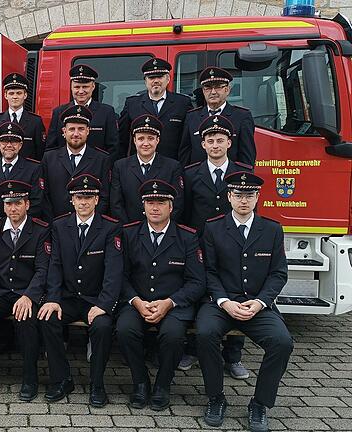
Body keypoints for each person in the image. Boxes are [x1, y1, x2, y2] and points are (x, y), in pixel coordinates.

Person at [196, 172, 292, 432]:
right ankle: (216, 398)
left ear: (257, 197)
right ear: (229, 196)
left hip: (257, 304)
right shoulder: (213, 227)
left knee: (282, 342)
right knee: (204, 334)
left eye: (249, 195)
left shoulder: (272, 229)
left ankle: (260, 404)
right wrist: (224, 301)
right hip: (222, 303)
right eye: (238, 195)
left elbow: (278, 273)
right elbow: (209, 272)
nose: (243, 200)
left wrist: (261, 302)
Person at [116, 179, 204, 411]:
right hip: (137, 301)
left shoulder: (187, 236)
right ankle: (141, 382)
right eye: (150, 202)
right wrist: (136, 301)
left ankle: (163, 385)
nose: (155, 207)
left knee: (173, 336)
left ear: (171, 207)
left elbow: (197, 282)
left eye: (161, 202)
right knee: (125, 330)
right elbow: (120, 276)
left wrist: (169, 302)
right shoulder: (129, 233)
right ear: (142, 206)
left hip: (174, 304)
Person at [39, 174, 122, 406]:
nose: (83, 202)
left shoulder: (110, 227)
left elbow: (113, 273)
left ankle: (97, 384)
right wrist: (52, 298)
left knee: (103, 326)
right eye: (79, 197)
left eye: (88, 197)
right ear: (71, 200)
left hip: (96, 299)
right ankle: (62, 379)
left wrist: (104, 305)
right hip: (67, 297)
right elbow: (54, 265)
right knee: (47, 318)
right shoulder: (59, 226)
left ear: (97, 200)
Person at [179, 115, 252, 377]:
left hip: (233, 245)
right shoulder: (190, 173)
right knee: (197, 293)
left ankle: (232, 356)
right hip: (198, 245)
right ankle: (192, 348)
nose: (215, 144)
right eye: (210, 140)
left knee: (237, 290)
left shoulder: (243, 174)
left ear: (229, 143)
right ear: (203, 144)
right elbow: (184, 213)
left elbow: (250, 212)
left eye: (220, 140)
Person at [0, 180, 50, 401]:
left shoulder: (40, 230)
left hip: (26, 293)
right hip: (0, 292)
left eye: (17, 203)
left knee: (26, 320)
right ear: (3, 206)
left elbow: (42, 270)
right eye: (8, 204)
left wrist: (29, 296)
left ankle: (29, 378)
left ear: (27, 204)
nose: (13, 208)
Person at [110, 114, 184, 223]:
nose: (146, 143)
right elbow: (116, 204)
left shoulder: (172, 167)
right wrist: (129, 230)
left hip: (161, 232)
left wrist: (159, 227)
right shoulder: (120, 166)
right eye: (141, 138)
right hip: (129, 232)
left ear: (157, 140)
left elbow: (177, 204)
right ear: (134, 140)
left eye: (150, 138)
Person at [42, 105, 110, 218]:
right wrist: (54, 224)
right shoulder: (49, 158)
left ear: (88, 131)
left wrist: (91, 222)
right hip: (56, 226)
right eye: (72, 129)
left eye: (81, 129)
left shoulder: (101, 159)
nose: (76, 134)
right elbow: (44, 197)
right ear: (64, 131)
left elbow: (104, 196)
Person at [179, 67, 256, 166]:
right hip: (198, 179)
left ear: (227, 90)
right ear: (203, 91)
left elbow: (247, 156)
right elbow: (185, 154)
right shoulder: (192, 117)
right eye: (208, 88)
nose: (213, 92)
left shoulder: (242, 116)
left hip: (230, 178)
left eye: (218, 87)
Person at [118, 58, 192, 161]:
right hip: (139, 167)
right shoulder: (132, 104)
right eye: (151, 77)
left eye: (160, 77)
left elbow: (187, 141)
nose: (156, 81)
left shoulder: (182, 103)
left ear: (168, 79)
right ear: (145, 81)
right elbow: (122, 140)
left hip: (172, 166)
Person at [45, 65, 119, 161]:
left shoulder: (106, 112)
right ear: (71, 87)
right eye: (77, 87)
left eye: (85, 87)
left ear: (93, 86)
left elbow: (113, 147)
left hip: (95, 170)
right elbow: (51, 147)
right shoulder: (59, 112)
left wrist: (102, 167)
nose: (80, 91)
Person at [0, 122, 45, 220]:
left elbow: (36, 202)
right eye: (4, 141)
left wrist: (17, 223)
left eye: (14, 141)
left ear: (20, 145)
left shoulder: (33, 168)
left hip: (22, 228)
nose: (9, 145)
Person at [0, 73, 46, 160]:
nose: (15, 97)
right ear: (5, 95)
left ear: (25, 95)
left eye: (19, 93)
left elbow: (41, 152)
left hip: (27, 171)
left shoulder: (36, 122)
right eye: (11, 93)